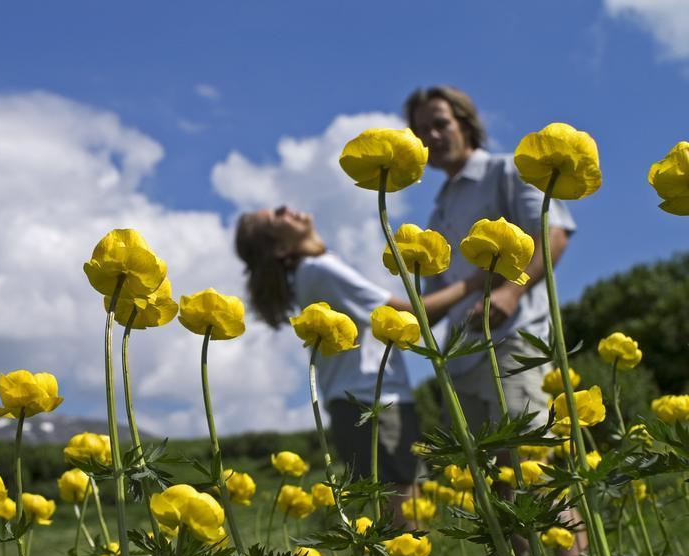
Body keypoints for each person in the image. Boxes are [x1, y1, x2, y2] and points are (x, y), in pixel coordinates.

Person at [235, 206, 484, 512]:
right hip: (373, 398)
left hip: (354, 400)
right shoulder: (319, 269)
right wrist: (476, 282)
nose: (286, 209)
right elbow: (408, 314)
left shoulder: (312, 271)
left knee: (386, 511)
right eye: (277, 216)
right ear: (281, 247)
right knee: (402, 511)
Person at [404, 85, 576, 427]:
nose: (432, 136)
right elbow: (436, 298)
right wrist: (393, 320)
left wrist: (510, 292)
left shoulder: (507, 170)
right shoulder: (438, 212)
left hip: (513, 341)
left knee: (526, 461)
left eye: (441, 124)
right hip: (460, 360)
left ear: (465, 125)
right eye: (422, 131)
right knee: (475, 477)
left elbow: (553, 235)